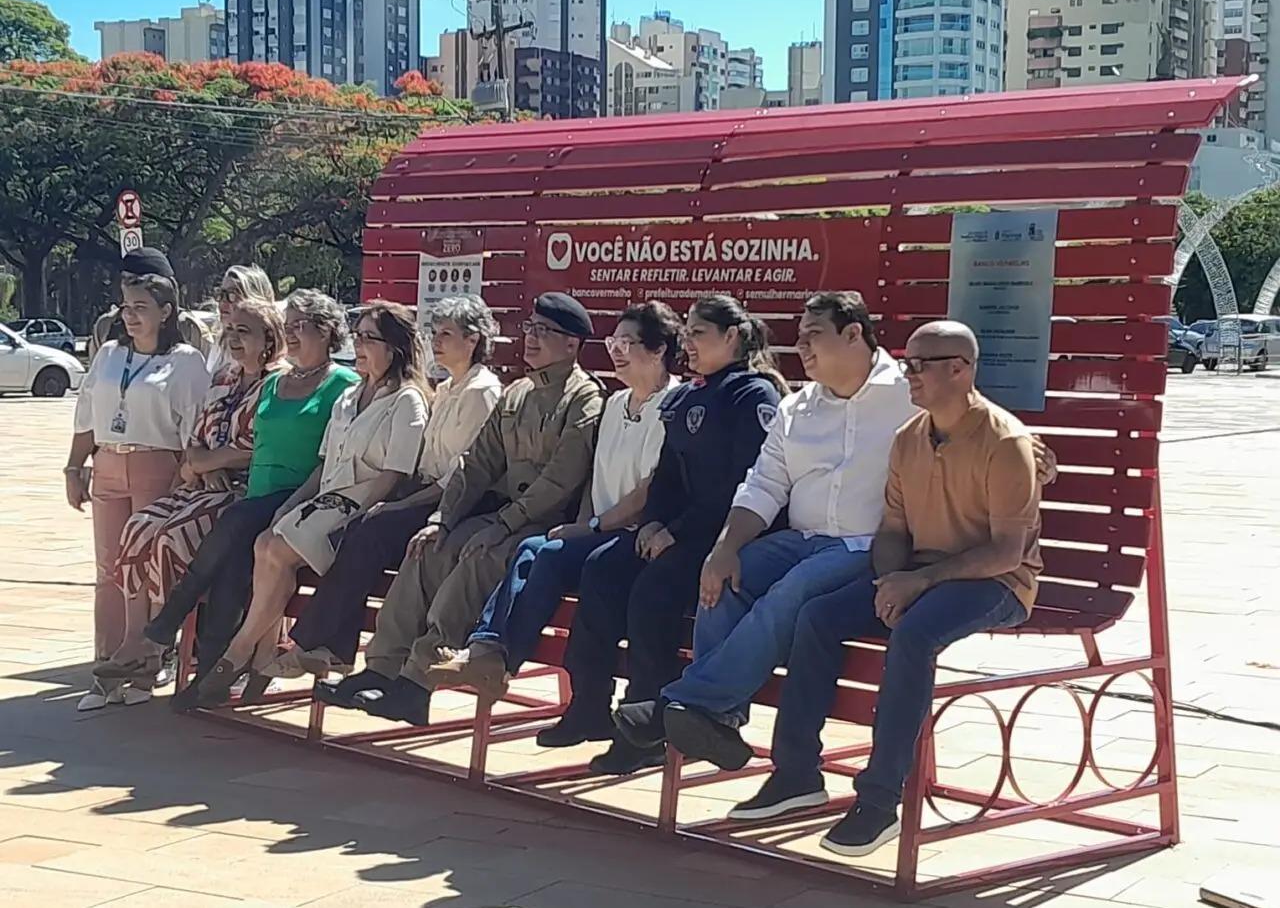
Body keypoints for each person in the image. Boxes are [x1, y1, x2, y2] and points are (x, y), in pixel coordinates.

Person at [612, 295, 1058, 766]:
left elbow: (975, 419)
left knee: (794, 591)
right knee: (722, 578)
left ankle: (681, 705)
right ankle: (716, 718)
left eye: (814, 334)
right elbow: (764, 484)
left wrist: (1036, 455)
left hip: (867, 546)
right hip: (799, 541)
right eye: (800, 335)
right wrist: (726, 547)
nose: (801, 345)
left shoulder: (907, 394)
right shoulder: (796, 407)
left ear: (853, 335)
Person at [737, 321, 1042, 858]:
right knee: (819, 616)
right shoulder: (908, 439)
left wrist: (915, 582)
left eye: (923, 364)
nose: (911, 374)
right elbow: (895, 529)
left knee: (915, 633)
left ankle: (879, 802)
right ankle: (796, 776)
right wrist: (886, 582)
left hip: (995, 584)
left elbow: (1005, 553)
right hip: (918, 573)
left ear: (961, 369)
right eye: (907, 362)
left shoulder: (1006, 442)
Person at [314, 291, 605, 727]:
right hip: (500, 514)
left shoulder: (584, 398)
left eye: (545, 332)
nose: (532, 338)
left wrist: (501, 525)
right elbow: (476, 463)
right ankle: (381, 667)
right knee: (427, 550)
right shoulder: (518, 392)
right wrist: (441, 520)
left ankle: (417, 682)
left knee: (477, 556)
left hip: (545, 525)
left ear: (572, 344)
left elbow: (559, 483)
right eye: (530, 328)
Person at [536, 295, 787, 775]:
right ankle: (589, 704)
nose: (687, 343)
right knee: (604, 567)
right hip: (675, 530)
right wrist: (654, 521)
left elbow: (744, 482)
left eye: (698, 333)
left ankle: (644, 726)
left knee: (655, 589)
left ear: (731, 337)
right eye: (686, 332)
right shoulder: (688, 395)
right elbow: (668, 475)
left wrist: (677, 531)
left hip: (725, 537)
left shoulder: (753, 395)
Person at [422, 300, 685, 704]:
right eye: (614, 340)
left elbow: (648, 489)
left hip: (636, 534)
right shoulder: (616, 402)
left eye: (627, 343)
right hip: (598, 529)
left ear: (658, 350)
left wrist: (590, 528)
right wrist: (585, 525)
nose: (615, 350)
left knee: (558, 558)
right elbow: (593, 481)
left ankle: (575, 698)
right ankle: (488, 652)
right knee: (535, 549)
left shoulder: (674, 404)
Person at [191, 300, 432, 705]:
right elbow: (323, 466)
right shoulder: (350, 397)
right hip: (324, 501)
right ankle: (263, 655)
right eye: (357, 337)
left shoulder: (406, 400)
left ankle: (238, 652)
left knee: (278, 551)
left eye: (369, 338)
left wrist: (355, 515)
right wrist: (295, 504)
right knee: (265, 543)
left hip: (356, 506)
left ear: (393, 347)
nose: (359, 345)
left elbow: (394, 474)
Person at [264, 295, 502, 679]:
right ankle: (329, 648)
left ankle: (313, 643)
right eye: (434, 332)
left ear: (472, 341)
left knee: (368, 528)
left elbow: (463, 473)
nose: (436, 341)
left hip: (455, 502)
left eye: (446, 334)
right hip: (423, 491)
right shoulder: (446, 388)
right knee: (359, 531)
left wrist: (396, 505)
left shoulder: (481, 391)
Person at [141, 290, 359, 704]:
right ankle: (208, 679)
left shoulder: (343, 384)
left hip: (297, 499)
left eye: (301, 326)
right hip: (256, 495)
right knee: (232, 575)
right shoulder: (275, 381)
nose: (292, 335)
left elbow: (332, 457)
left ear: (328, 332)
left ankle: (171, 617)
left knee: (236, 520)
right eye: (288, 326)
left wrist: (294, 502)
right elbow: (246, 444)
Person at [94, 298, 287, 689]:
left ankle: (157, 647)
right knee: (138, 527)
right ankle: (135, 642)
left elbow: (258, 448)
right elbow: (195, 442)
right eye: (229, 330)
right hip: (202, 484)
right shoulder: (224, 379)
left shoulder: (279, 384)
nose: (232, 339)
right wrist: (203, 464)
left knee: (170, 537)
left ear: (269, 337)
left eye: (243, 332)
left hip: (242, 493)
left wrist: (209, 462)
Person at [65, 270, 212, 711]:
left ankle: (145, 667)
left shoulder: (185, 361)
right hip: (108, 462)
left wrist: (181, 479)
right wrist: (74, 467)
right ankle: (105, 668)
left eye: (140, 308)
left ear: (166, 313)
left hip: (156, 463)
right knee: (108, 570)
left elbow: (193, 429)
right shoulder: (109, 354)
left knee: (144, 570)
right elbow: (86, 413)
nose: (129, 316)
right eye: (125, 307)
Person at [87, 248, 212, 362]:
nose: (133, 286)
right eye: (127, 280)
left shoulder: (189, 328)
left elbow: (208, 373)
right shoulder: (106, 326)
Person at [206, 265, 276, 376]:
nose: (223, 303)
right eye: (221, 294)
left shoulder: (276, 369)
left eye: (232, 295)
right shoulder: (221, 342)